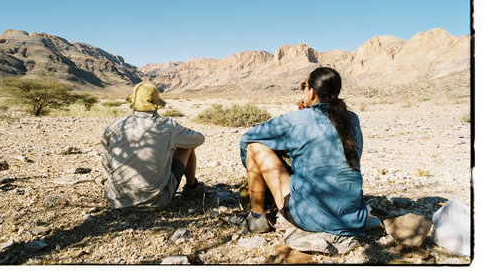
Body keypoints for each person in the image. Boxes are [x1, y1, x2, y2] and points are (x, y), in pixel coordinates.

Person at [229, 67, 367, 237]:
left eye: (304, 86)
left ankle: (256, 217)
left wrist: (253, 172)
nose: (303, 91)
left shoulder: (294, 121)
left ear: (312, 93)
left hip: (309, 217)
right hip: (353, 218)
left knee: (254, 146)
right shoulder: (352, 119)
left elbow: (247, 138)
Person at [101, 81, 205, 210]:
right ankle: (191, 187)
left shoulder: (115, 126)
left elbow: (107, 163)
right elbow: (199, 139)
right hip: (156, 200)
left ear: (133, 102)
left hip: (116, 199)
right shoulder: (169, 125)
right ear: (156, 103)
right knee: (187, 146)